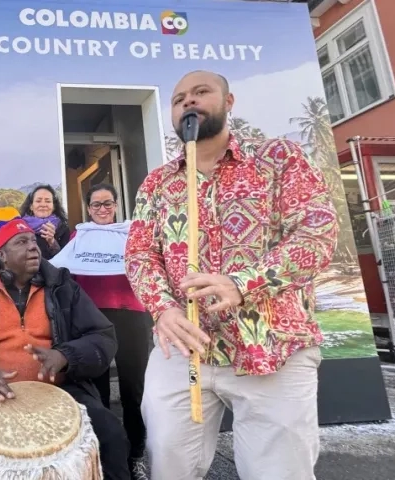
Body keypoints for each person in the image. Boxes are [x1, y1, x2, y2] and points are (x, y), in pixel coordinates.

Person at [125, 70, 338, 480]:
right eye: (178, 98)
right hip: (182, 349)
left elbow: (317, 232)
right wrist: (163, 310)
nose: (188, 101)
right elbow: (139, 253)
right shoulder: (156, 184)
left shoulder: (279, 158)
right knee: (168, 463)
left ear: (229, 101)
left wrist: (244, 284)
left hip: (272, 347)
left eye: (201, 92)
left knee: (277, 472)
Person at [0, 218, 130, 480]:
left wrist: (66, 355)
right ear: (2, 256)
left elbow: (103, 335)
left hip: (61, 387)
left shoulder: (63, 287)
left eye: (34, 241)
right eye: (22, 242)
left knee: (111, 431)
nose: (33, 247)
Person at [52, 183, 152, 480]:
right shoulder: (78, 236)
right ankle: (102, 454)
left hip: (132, 315)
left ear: (117, 204)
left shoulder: (134, 233)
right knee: (96, 391)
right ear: (88, 208)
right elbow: (62, 270)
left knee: (134, 389)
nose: (103, 210)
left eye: (107, 203)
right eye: (96, 205)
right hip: (92, 321)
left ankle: (134, 455)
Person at [18, 184, 71, 260]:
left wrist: (52, 242)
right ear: (31, 206)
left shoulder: (63, 228)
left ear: (53, 207)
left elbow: (66, 258)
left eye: (48, 201)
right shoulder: (20, 227)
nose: (43, 205)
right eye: (38, 201)